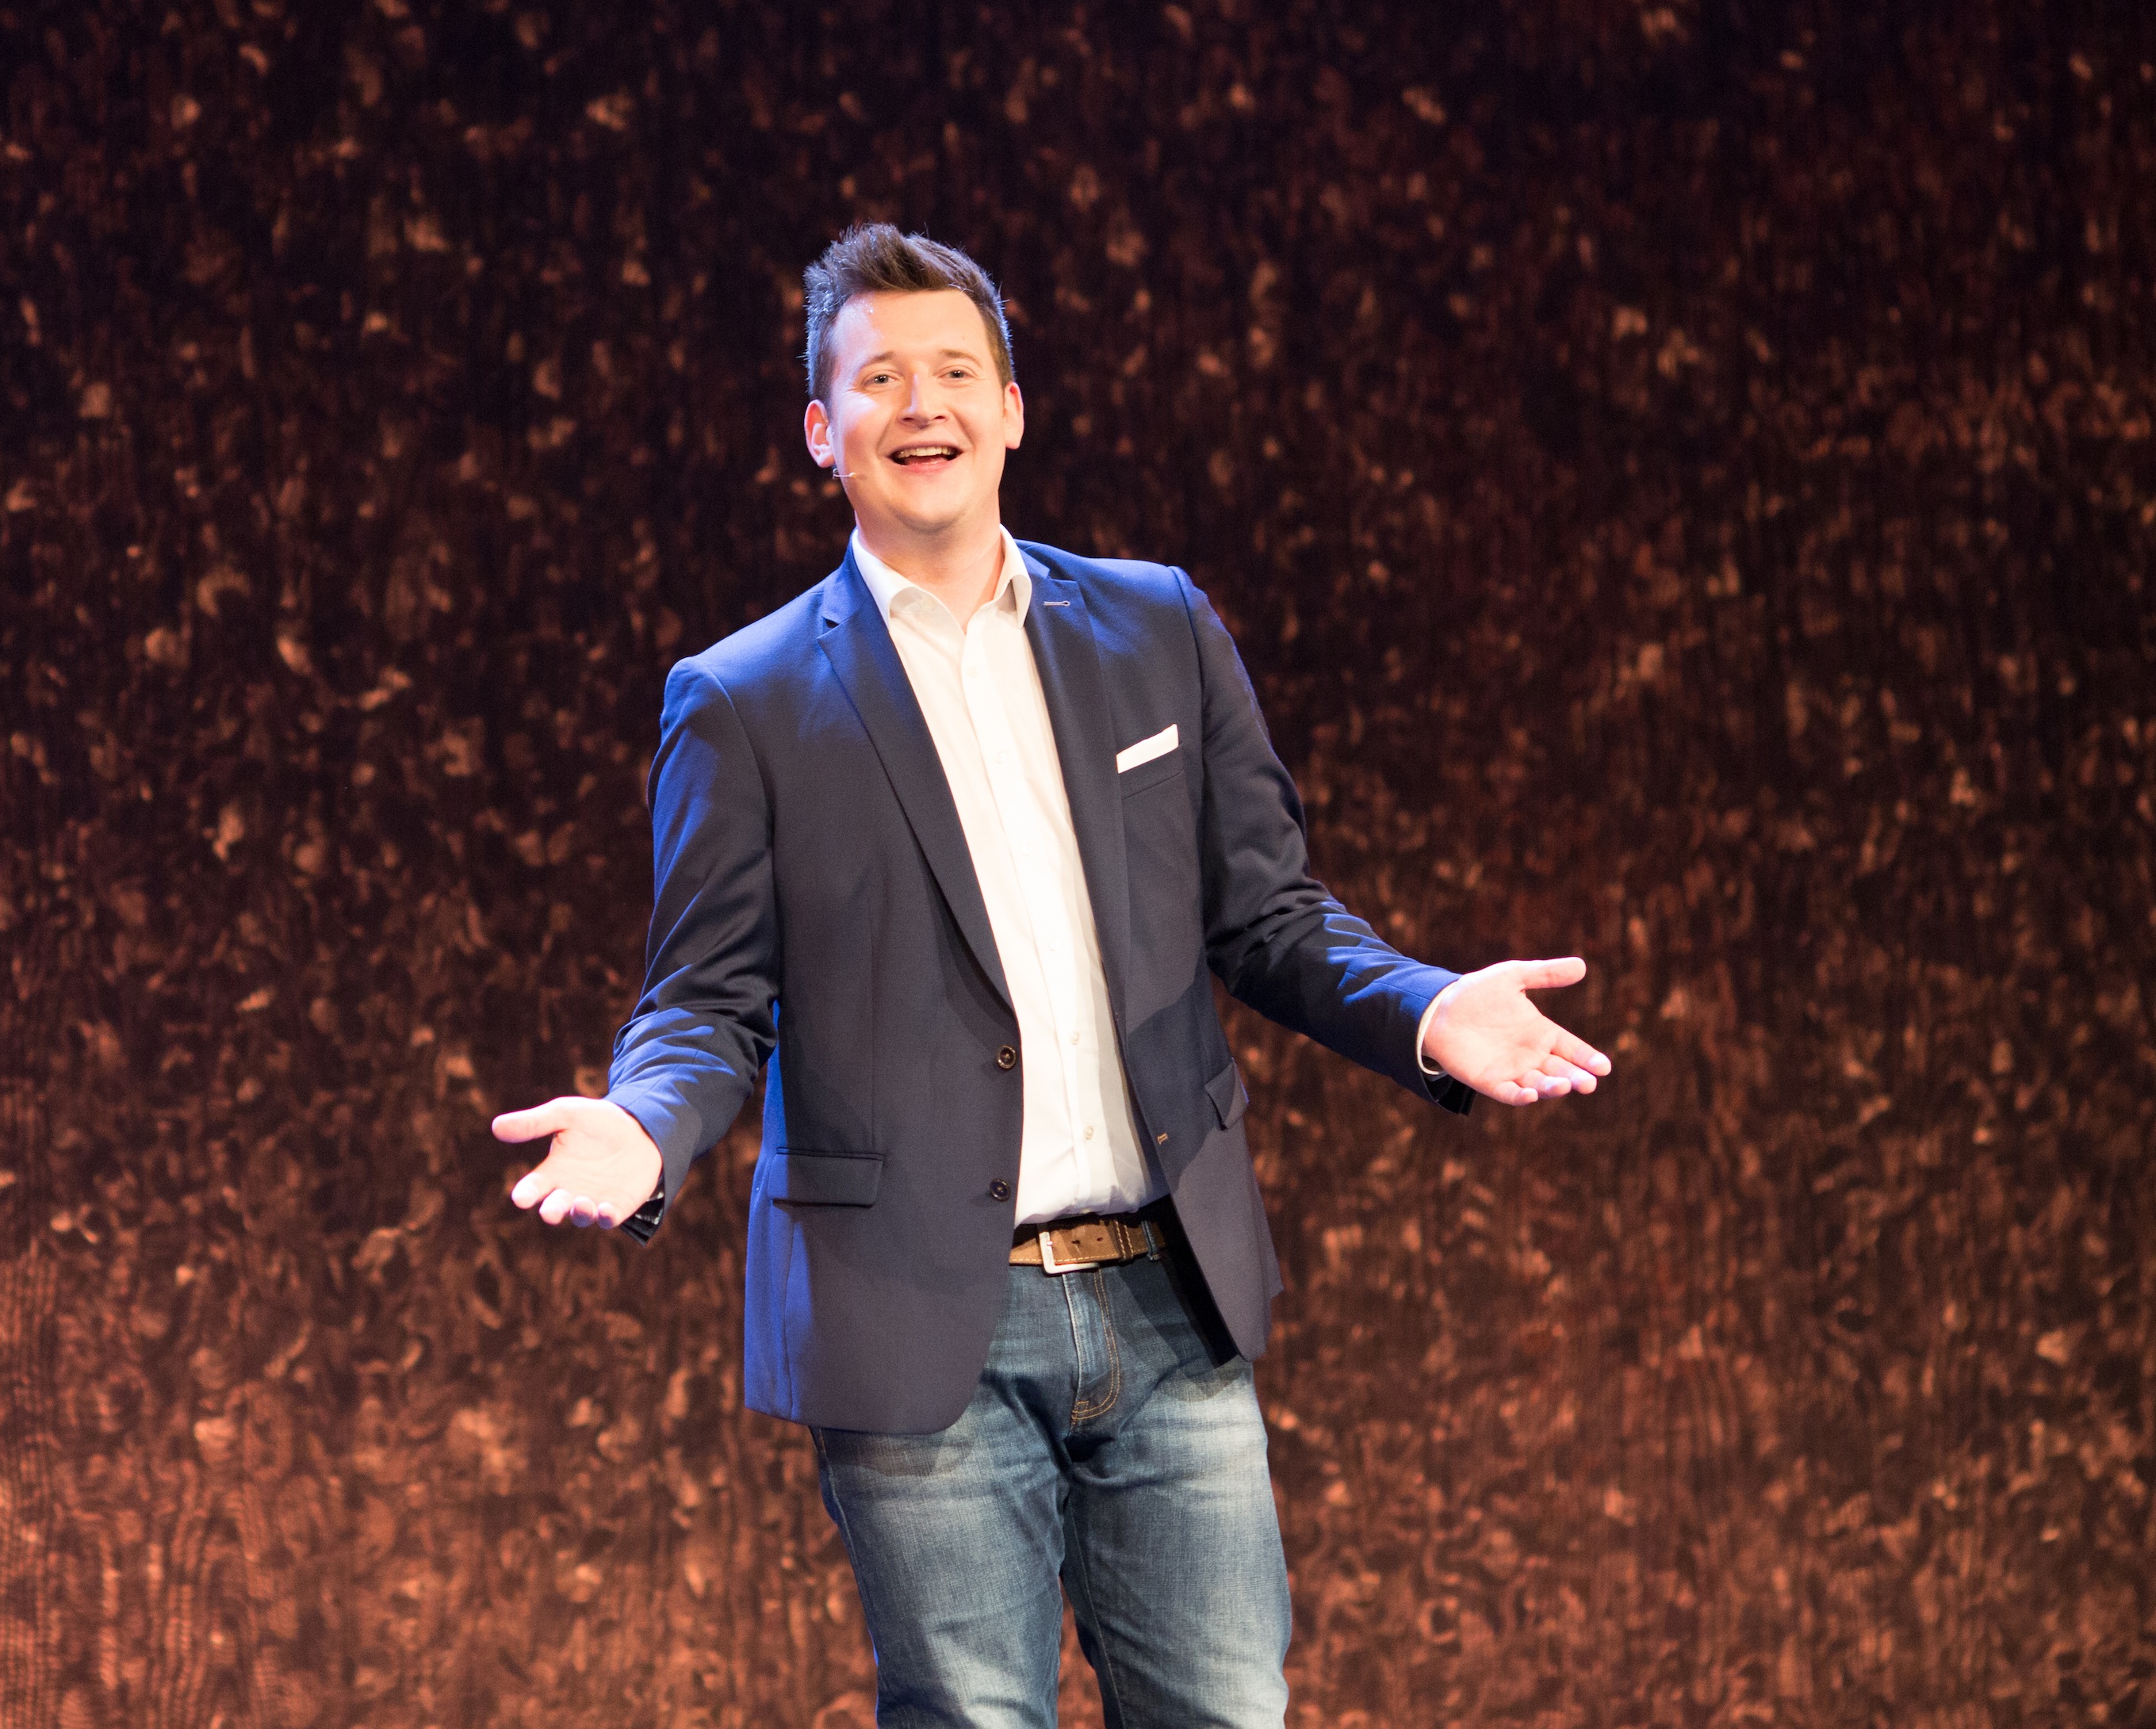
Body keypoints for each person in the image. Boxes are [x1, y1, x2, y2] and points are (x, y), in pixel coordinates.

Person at [493, 224, 1611, 1727]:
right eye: (879, 378)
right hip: (917, 1312)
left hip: (1169, 1294)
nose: (924, 404)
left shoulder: (1157, 627)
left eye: (957, 371)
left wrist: (1422, 1005)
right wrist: (645, 1125)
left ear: (1013, 409)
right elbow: (704, 999)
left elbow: (1271, 916)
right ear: (821, 431)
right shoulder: (743, 701)